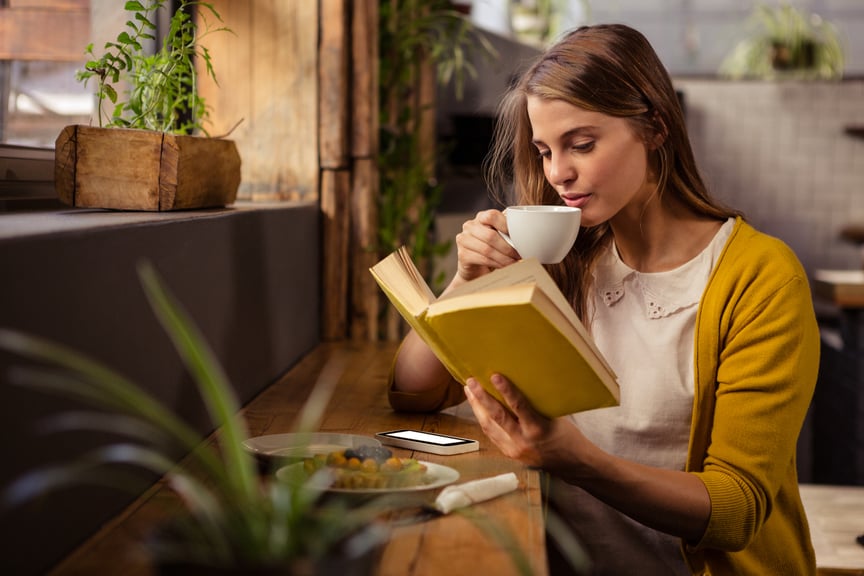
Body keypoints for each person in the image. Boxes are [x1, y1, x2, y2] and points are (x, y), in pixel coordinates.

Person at [387, 23, 819, 576]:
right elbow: (414, 392)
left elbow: (736, 510)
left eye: (582, 145)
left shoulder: (760, 278)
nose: (557, 173)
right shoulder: (565, 262)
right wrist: (464, 281)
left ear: (656, 128)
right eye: (544, 151)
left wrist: (578, 462)